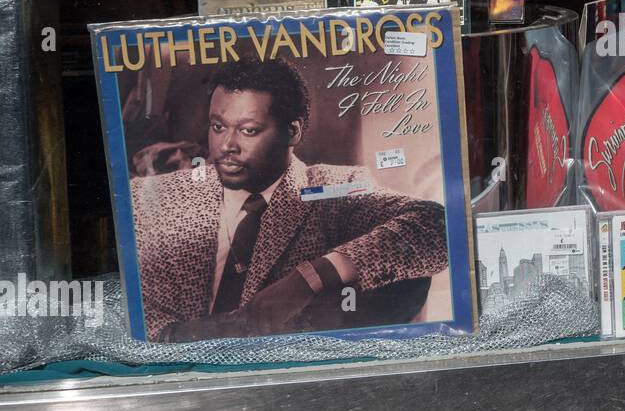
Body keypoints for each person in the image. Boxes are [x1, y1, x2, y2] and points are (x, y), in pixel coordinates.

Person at [129, 58, 446, 341]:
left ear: (292, 132)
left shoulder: (336, 188)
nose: (227, 145)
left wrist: (308, 279)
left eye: (249, 130)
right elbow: (142, 316)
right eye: (218, 127)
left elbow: (436, 227)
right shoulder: (155, 196)